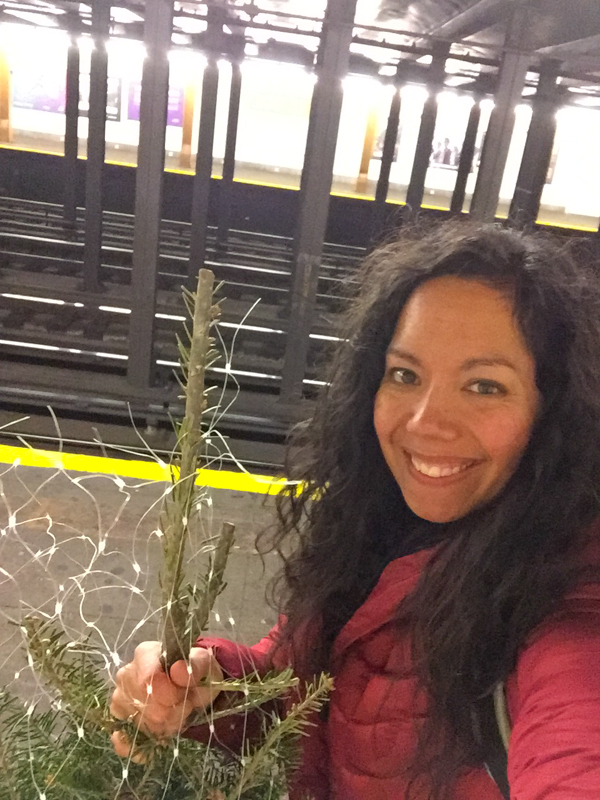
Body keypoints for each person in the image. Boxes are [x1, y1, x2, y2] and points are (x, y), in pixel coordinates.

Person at [111, 223, 600, 800]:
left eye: (484, 386)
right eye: (405, 375)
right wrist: (209, 687)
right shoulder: (382, 527)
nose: (423, 422)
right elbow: (318, 699)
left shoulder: (567, 607)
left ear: (556, 410)